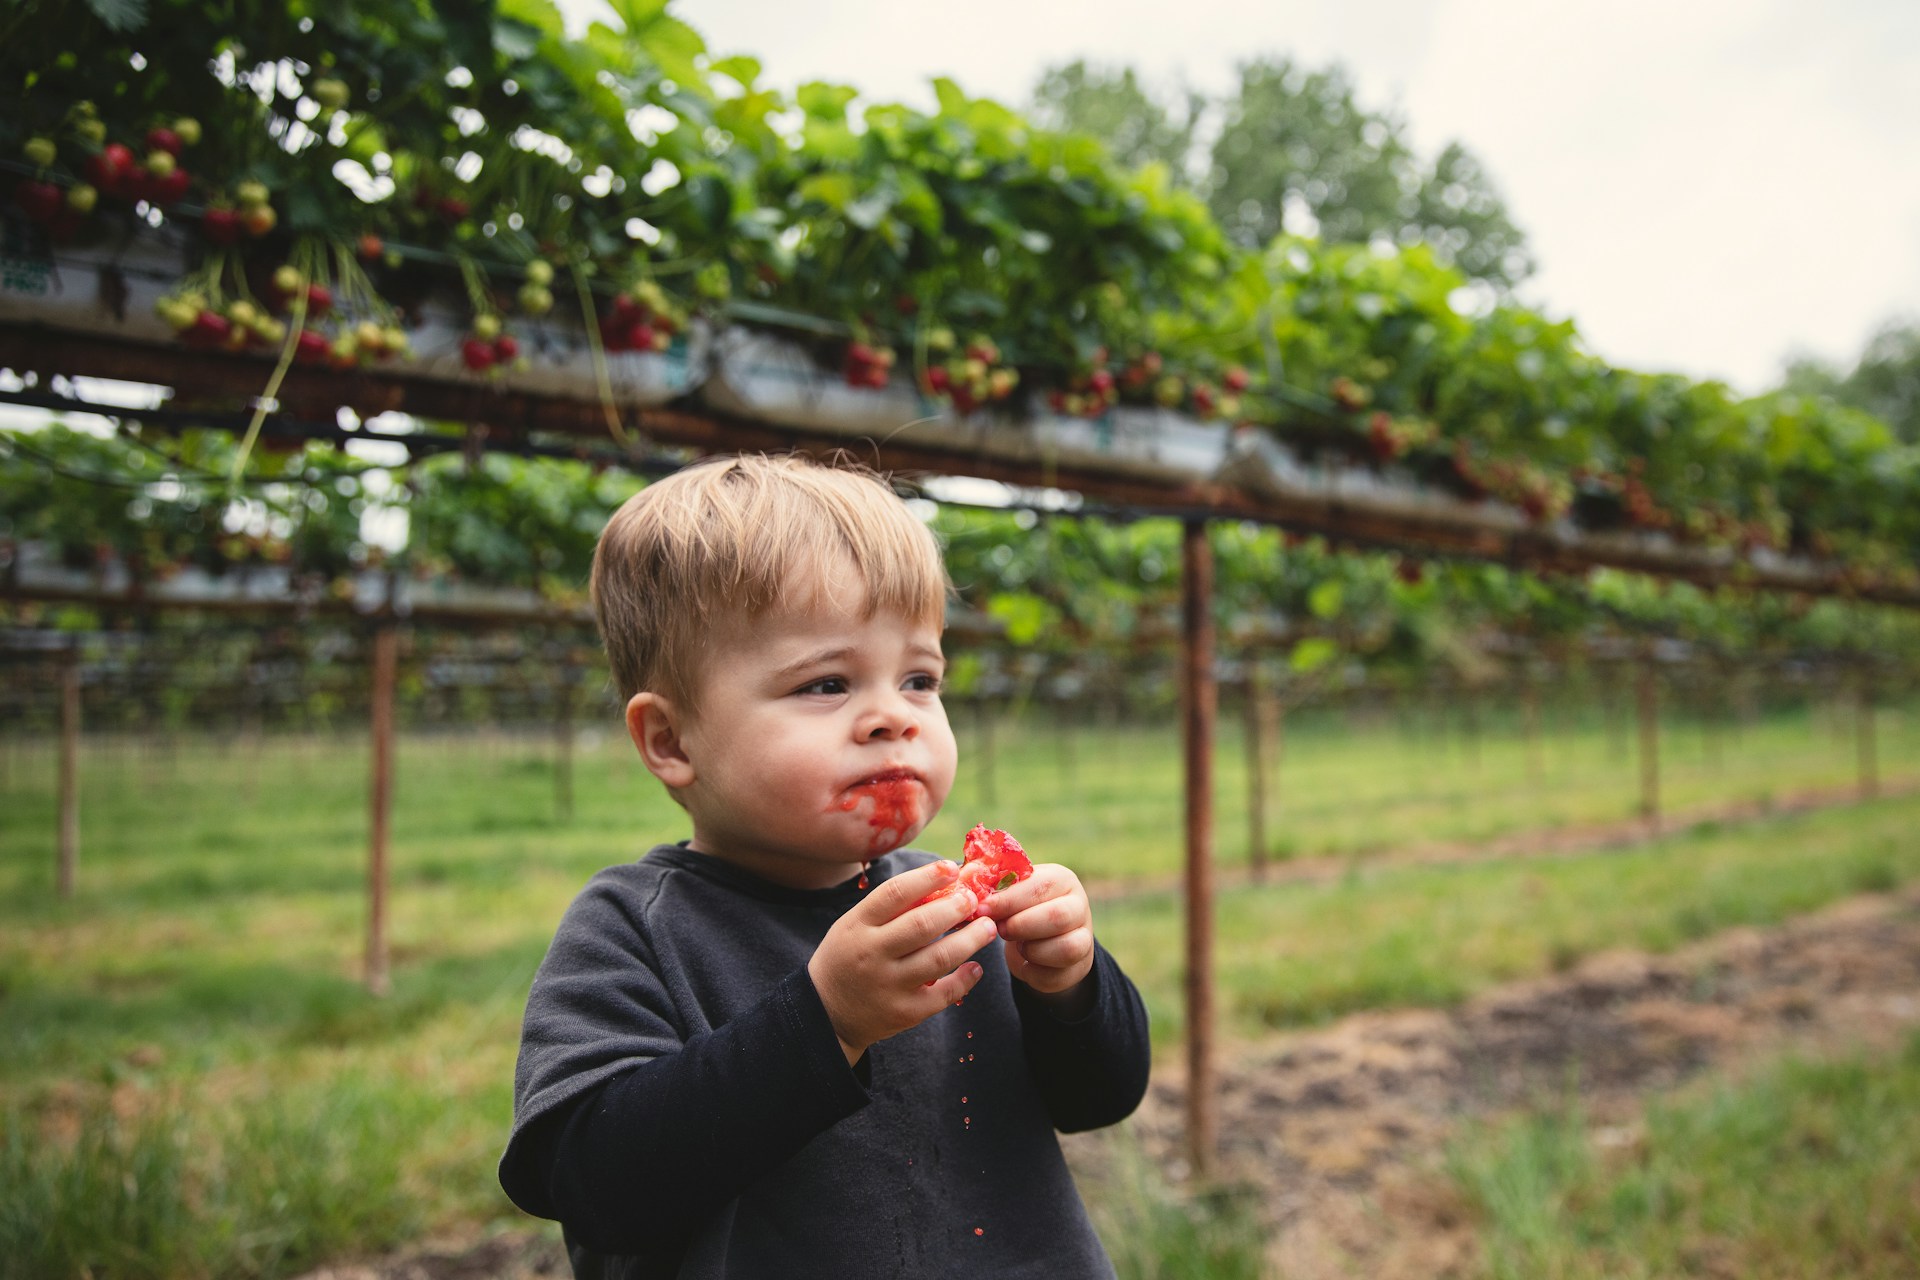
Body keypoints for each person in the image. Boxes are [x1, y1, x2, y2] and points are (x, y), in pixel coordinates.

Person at [498, 453, 1151, 1279]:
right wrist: (827, 1021)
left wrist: (1071, 988)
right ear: (672, 741)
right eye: (826, 683)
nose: (891, 717)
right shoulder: (637, 930)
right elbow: (594, 1182)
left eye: (920, 678)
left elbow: (1099, 1099)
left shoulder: (956, 908)